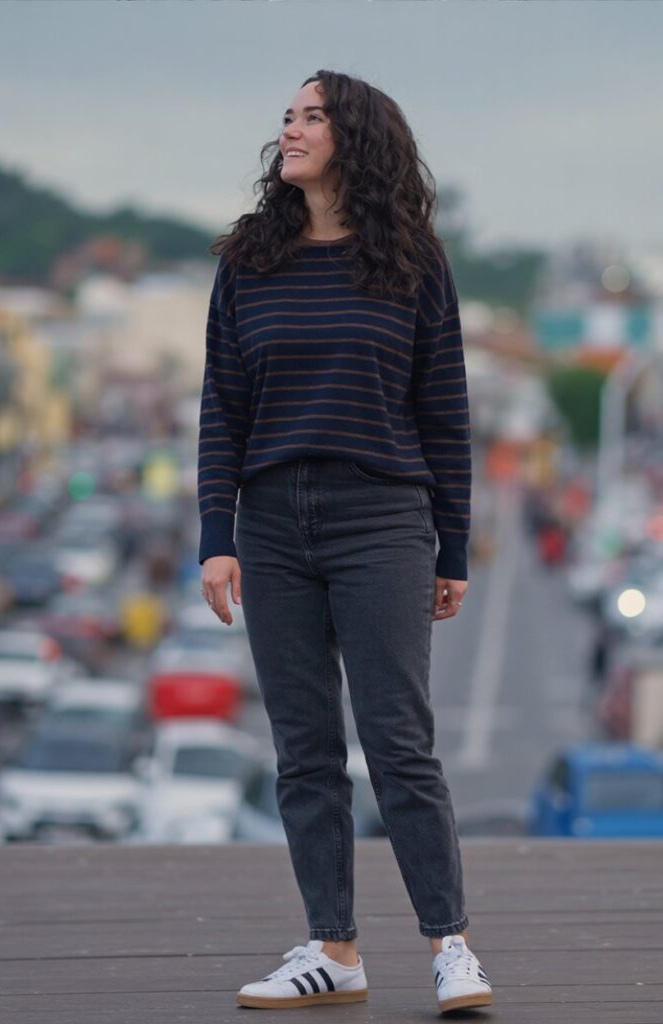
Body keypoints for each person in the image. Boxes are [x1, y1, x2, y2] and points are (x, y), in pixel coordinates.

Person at [198, 69, 493, 1016]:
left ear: (353, 137)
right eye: (285, 115)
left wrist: (451, 547)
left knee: (399, 741)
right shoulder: (248, 260)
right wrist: (217, 536)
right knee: (303, 749)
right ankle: (334, 950)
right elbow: (223, 408)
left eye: (311, 116)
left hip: (381, 520)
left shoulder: (411, 260)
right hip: (273, 520)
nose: (289, 128)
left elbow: (443, 414)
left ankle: (451, 947)